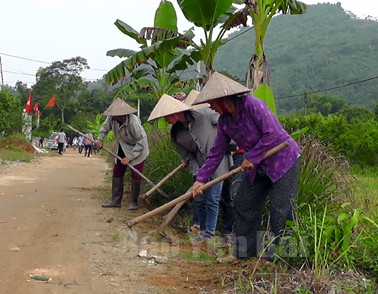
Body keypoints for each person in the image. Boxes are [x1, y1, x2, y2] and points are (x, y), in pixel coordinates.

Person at [190, 72, 301, 262]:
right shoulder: (225, 122)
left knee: (280, 209)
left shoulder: (253, 105)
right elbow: (216, 152)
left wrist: (253, 156)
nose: (210, 106)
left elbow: (272, 133)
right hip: (258, 166)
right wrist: (200, 179)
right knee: (244, 203)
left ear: (222, 99)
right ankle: (244, 254)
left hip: (283, 161)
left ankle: (279, 260)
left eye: (212, 102)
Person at [148, 92, 234, 241]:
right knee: (199, 200)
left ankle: (209, 235)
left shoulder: (205, 115)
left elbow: (226, 123)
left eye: (165, 116)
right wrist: (197, 174)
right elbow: (189, 157)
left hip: (219, 163)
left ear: (175, 113)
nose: (164, 120)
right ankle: (202, 231)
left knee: (213, 199)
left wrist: (229, 143)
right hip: (201, 168)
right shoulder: (177, 135)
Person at [96, 98, 149, 210]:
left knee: (136, 175)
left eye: (122, 115)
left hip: (138, 149)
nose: (120, 117)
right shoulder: (111, 119)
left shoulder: (133, 123)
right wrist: (100, 139)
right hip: (123, 146)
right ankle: (115, 201)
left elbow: (141, 142)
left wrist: (129, 157)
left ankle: (134, 202)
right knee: (117, 172)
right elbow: (104, 129)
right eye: (117, 116)